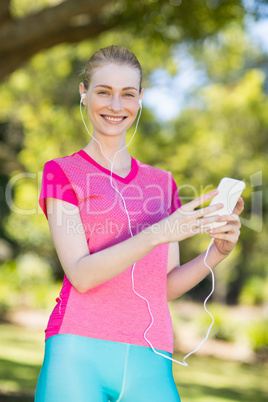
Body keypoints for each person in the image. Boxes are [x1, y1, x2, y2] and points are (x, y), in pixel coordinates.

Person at [34, 45, 244, 402]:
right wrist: (159, 232)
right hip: (77, 351)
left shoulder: (163, 184)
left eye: (127, 94)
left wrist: (215, 254)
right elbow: (81, 276)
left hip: (152, 358)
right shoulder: (62, 173)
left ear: (141, 98)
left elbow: (162, 287)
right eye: (104, 92)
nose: (116, 106)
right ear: (84, 94)